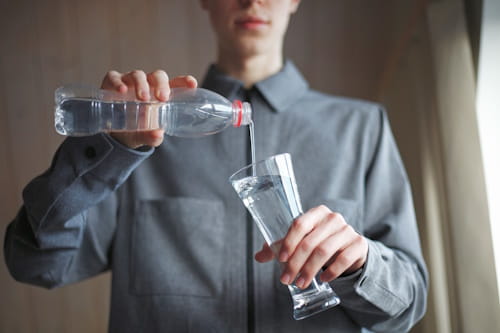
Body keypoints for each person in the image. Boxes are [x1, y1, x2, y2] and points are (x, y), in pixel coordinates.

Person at [4, 0, 428, 332]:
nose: (252, 0)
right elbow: (36, 264)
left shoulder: (362, 127)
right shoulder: (140, 135)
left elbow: (407, 306)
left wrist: (361, 263)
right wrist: (109, 148)